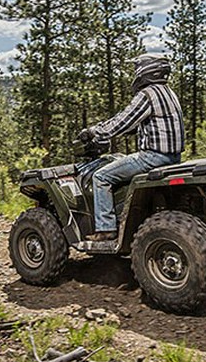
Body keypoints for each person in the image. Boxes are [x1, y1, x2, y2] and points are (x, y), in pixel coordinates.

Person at [77, 53, 185, 241]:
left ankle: (106, 228)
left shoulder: (148, 94)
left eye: (138, 67)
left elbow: (122, 121)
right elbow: (155, 123)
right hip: (173, 157)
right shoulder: (168, 92)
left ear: (147, 70)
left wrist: (94, 131)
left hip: (152, 157)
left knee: (101, 176)